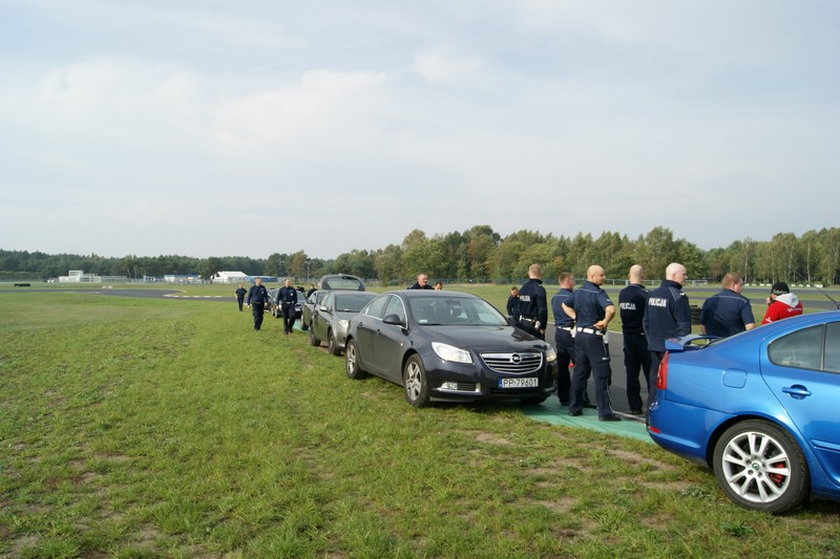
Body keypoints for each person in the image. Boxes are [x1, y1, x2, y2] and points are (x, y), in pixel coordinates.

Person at [562, 265, 620, 421]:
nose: (605, 277)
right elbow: (611, 309)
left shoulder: (578, 291)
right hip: (594, 338)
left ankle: (574, 408)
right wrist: (605, 321)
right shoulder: (598, 293)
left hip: (579, 336)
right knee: (602, 375)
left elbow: (565, 304)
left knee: (580, 373)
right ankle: (605, 412)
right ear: (593, 276)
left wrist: (575, 317)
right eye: (602, 275)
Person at [644, 262, 692, 408]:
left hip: (654, 346)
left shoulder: (652, 294)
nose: (686, 277)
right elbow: (683, 326)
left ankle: (650, 416)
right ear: (673, 275)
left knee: (654, 382)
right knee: (670, 385)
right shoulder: (678, 296)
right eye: (683, 274)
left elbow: (646, 322)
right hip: (671, 350)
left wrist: (651, 341)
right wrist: (680, 348)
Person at [618, 265, 652, 415]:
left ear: (628, 275)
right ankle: (652, 405)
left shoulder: (622, 293)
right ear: (642, 276)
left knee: (632, 373)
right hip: (642, 337)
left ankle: (634, 406)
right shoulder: (646, 294)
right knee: (650, 373)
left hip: (627, 336)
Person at [700, 272, 756, 337]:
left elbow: (702, 325)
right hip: (734, 343)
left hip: (714, 343)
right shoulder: (742, 302)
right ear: (734, 285)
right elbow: (750, 327)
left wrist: (708, 339)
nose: (742, 288)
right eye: (740, 285)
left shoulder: (709, 301)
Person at [551, 273, 576, 405]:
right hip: (570, 332)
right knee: (580, 365)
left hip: (559, 332)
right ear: (567, 281)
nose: (574, 283)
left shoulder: (555, 297)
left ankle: (563, 396)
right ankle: (579, 396)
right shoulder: (571, 297)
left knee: (562, 366)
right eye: (573, 280)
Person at [517, 264, 548, 340]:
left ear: (529, 273)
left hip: (523, 323)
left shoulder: (522, 288)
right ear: (541, 273)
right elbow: (542, 310)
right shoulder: (539, 289)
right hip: (534, 326)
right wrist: (543, 326)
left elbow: (519, 307)